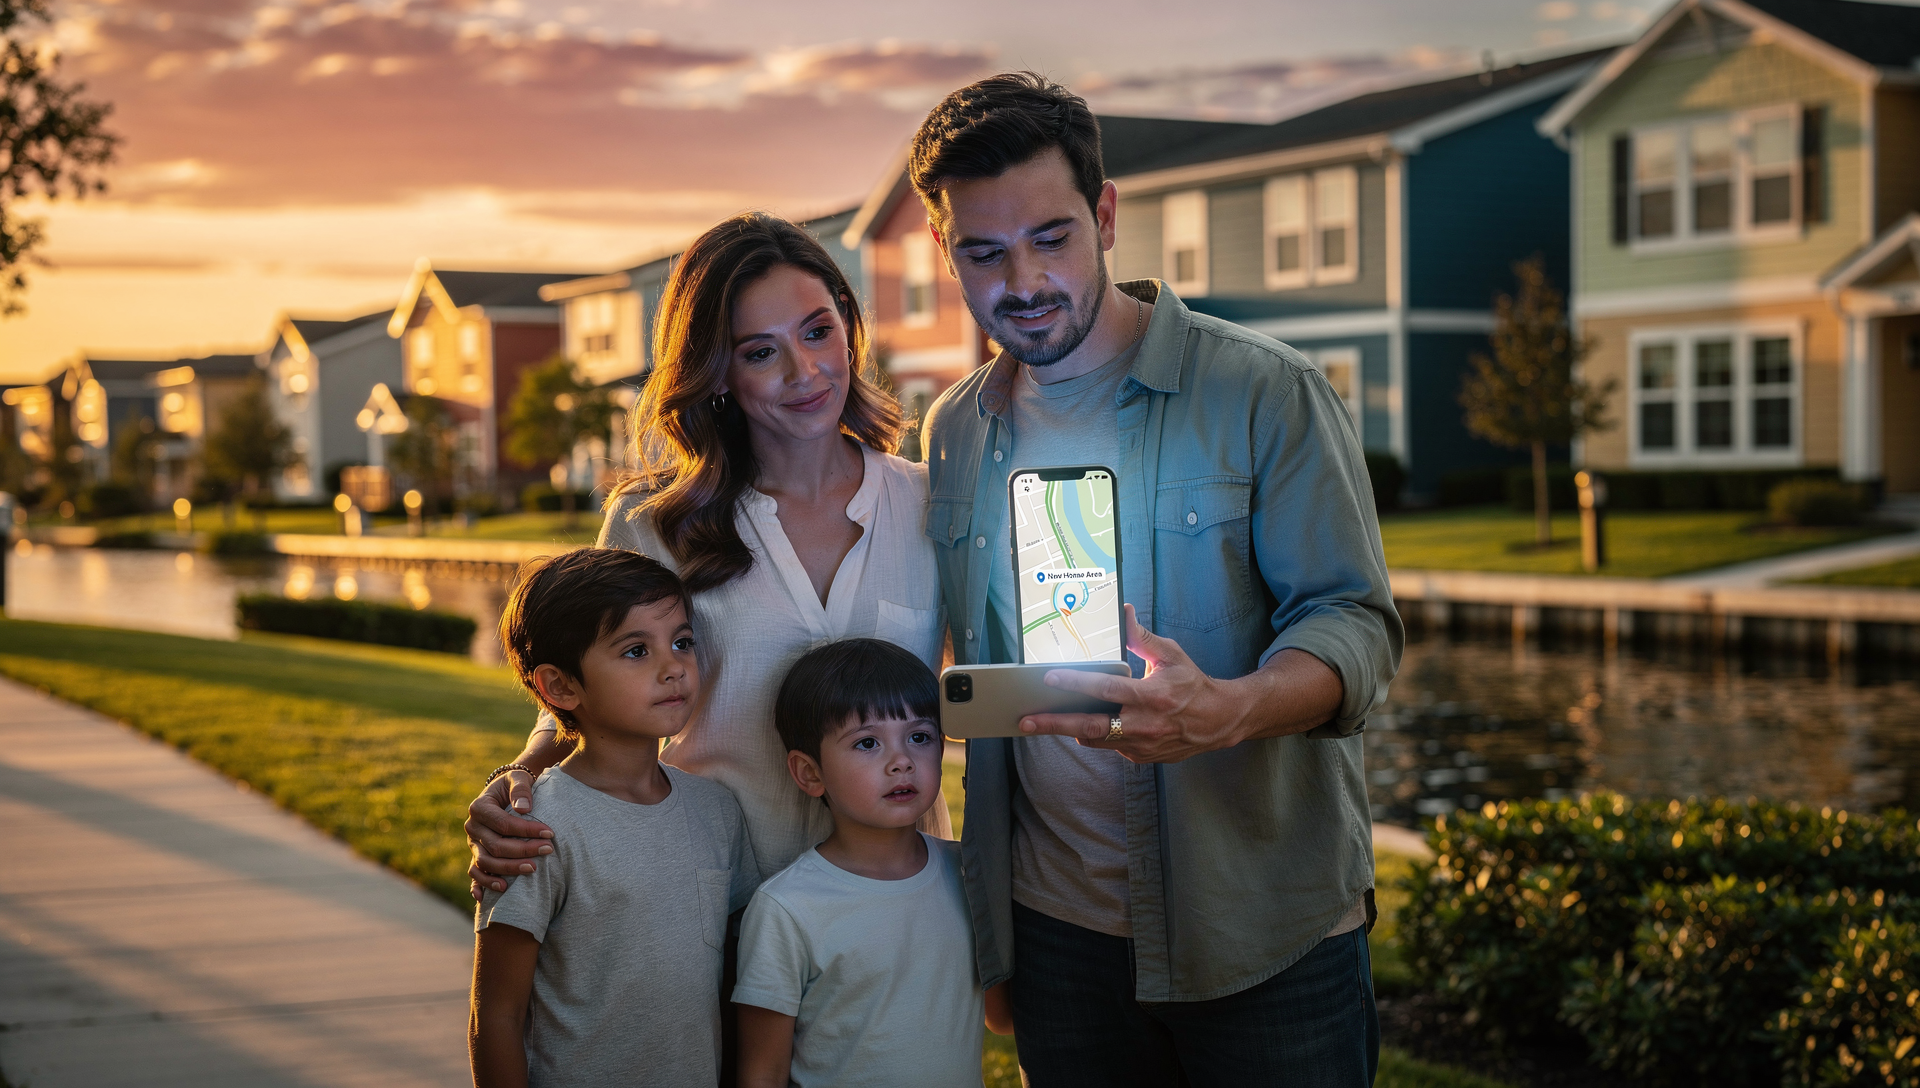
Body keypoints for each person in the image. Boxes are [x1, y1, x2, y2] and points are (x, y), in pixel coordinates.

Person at [910, 73, 1404, 1086]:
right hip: (1056, 935)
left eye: (1051, 236)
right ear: (944, 251)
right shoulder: (956, 430)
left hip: (1264, 927)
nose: (1023, 279)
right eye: (984, 251)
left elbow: (1355, 623)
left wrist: (1229, 706)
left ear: (1105, 215)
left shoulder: (1267, 390)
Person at [463, 211, 948, 896]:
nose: (804, 370)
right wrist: (517, 779)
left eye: (817, 332)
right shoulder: (653, 523)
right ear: (717, 373)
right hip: (714, 908)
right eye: (759, 351)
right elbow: (585, 700)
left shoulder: (936, 505)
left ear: (847, 323)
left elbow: (989, 694)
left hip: (904, 914)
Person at [469, 547, 757, 1088]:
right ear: (560, 686)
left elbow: (732, 987)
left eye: (682, 642)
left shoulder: (718, 812)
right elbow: (497, 1017)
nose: (673, 667)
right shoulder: (534, 828)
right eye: (635, 651)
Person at [734, 639, 1012, 1088]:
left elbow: (1002, 1017)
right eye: (867, 743)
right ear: (810, 773)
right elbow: (762, 1073)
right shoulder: (786, 908)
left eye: (920, 737)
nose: (902, 761)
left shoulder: (969, 875)